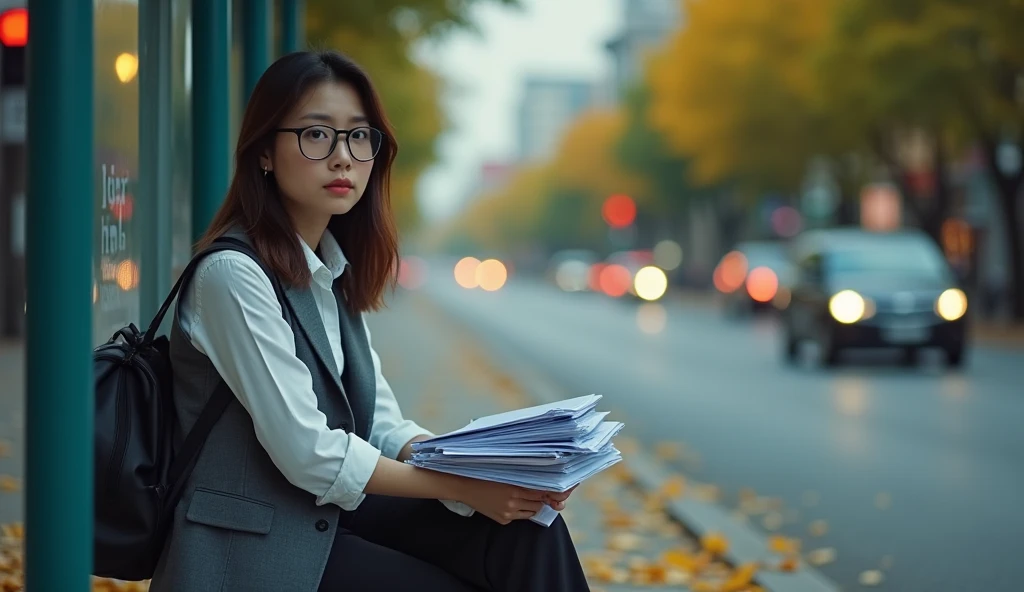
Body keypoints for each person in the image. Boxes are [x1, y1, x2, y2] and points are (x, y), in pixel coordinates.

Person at [148, 50, 590, 591]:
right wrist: (459, 487)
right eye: (316, 135)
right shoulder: (232, 276)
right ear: (264, 151)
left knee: (529, 530)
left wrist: (485, 472)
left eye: (359, 137)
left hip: (319, 522)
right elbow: (309, 453)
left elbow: (381, 423)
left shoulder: (327, 271)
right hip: (250, 547)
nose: (343, 158)